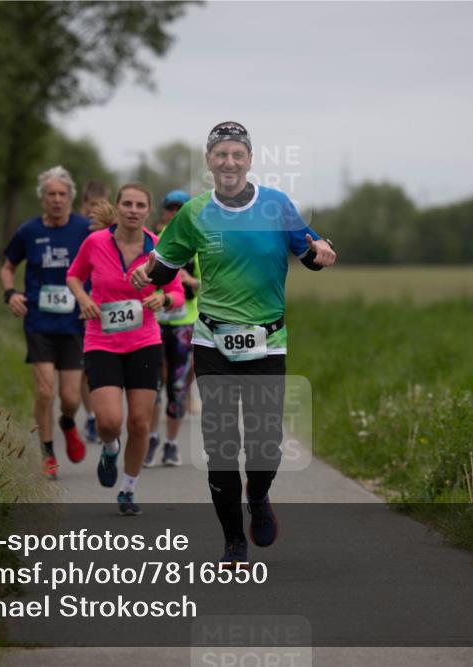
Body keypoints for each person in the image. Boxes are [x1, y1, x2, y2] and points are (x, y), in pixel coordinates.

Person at [131, 121, 336, 566]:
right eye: (220, 154)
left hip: (268, 340)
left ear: (249, 159)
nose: (229, 162)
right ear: (209, 161)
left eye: (236, 154)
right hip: (212, 341)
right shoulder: (195, 212)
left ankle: (258, 496)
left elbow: (309, 252)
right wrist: (150, 272)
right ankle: (232, 542)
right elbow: (167, 266)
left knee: (264, 442)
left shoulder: (277, 205)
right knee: (221, 443)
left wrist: (321, 252)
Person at [66, 183, 186, 516]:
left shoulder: (159, 248)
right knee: (109, 421)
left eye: (140, 205)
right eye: (127, 204)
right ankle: (109, 448)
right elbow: (74, 276)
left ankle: (129, 489)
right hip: (102, 340)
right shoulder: (95, 242)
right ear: (117, 207)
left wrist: (161, 298)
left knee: (139, 422)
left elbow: (177, 292)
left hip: (144, 342)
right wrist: (85, 299)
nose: (133, 210)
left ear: (148, 211)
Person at [1, 166, 91, 480]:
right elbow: (8, 266)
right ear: (42, 198)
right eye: (50, 194)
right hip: (39, 323)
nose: (56, 200)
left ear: (70, 198)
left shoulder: (84, 229)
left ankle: (68, 423)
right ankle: (47, 453)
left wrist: (91, 299)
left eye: (62, 194)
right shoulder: (28, 231)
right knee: (44, 392)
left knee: (70, 398)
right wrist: (10, 293)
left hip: (74, 323)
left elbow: (99, 265)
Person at [144, 189, 198, 467]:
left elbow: (211, 283)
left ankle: (171, 444)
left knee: (177, 387)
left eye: (182, 208)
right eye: (171, 208)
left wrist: (189, 281)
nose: (176, 213)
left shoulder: (199, 244)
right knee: (152, 387)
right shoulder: (154, 242)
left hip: (183, 324)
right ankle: (151, 439)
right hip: (153, 324)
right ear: (164, 212)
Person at [77, 180, 113, 442]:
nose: (95, 212)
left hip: (108, 307)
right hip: (79, 306)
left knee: (102, 365)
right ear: (83, 206)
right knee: (83, 367)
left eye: (101, 206)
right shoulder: (78, 231)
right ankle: (91, 417)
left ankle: (104, 414)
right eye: (91, 207)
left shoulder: (113, 232)